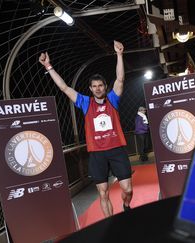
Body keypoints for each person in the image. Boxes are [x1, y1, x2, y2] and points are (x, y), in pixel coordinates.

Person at [38, 40, 132, 218]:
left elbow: (120, 79)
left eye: (101, 85)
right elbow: (64, 87)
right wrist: (48, 66)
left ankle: (126, 206)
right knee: (103, 193)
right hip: (97, 154)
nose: (98, 89)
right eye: (94, 86)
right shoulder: (85, 102)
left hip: (117, 150)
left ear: (105, 87)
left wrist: (119, 54)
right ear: (90, 88)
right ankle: (111, 223)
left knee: (127, 189)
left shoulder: (113, 99)